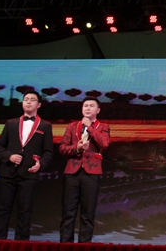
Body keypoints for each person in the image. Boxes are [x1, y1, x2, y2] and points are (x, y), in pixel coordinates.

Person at [0, 90, 54, 240]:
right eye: (26, 99)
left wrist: (40, 165)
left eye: (32, 99)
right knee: (3, 209)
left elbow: (48, 152)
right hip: (8, 172)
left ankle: (22, 242)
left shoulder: (45, 126)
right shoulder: (11, 123)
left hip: (29, 174)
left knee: (25, 211)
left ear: (39, 105)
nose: (28, 102)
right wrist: (9, 156)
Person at [59, 97, 111, 243]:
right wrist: (77, 148)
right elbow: (62, 148)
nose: (88, 108)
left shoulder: (103, 126)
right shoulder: (72, 126)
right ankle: (65, 244)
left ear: (98, 110)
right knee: (68, 212)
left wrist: (90, 127)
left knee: (87, 214)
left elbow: (105, 144)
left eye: (91, 106)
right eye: (85, 105)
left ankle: (84, 245)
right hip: (72, 172)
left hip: (92, 173)